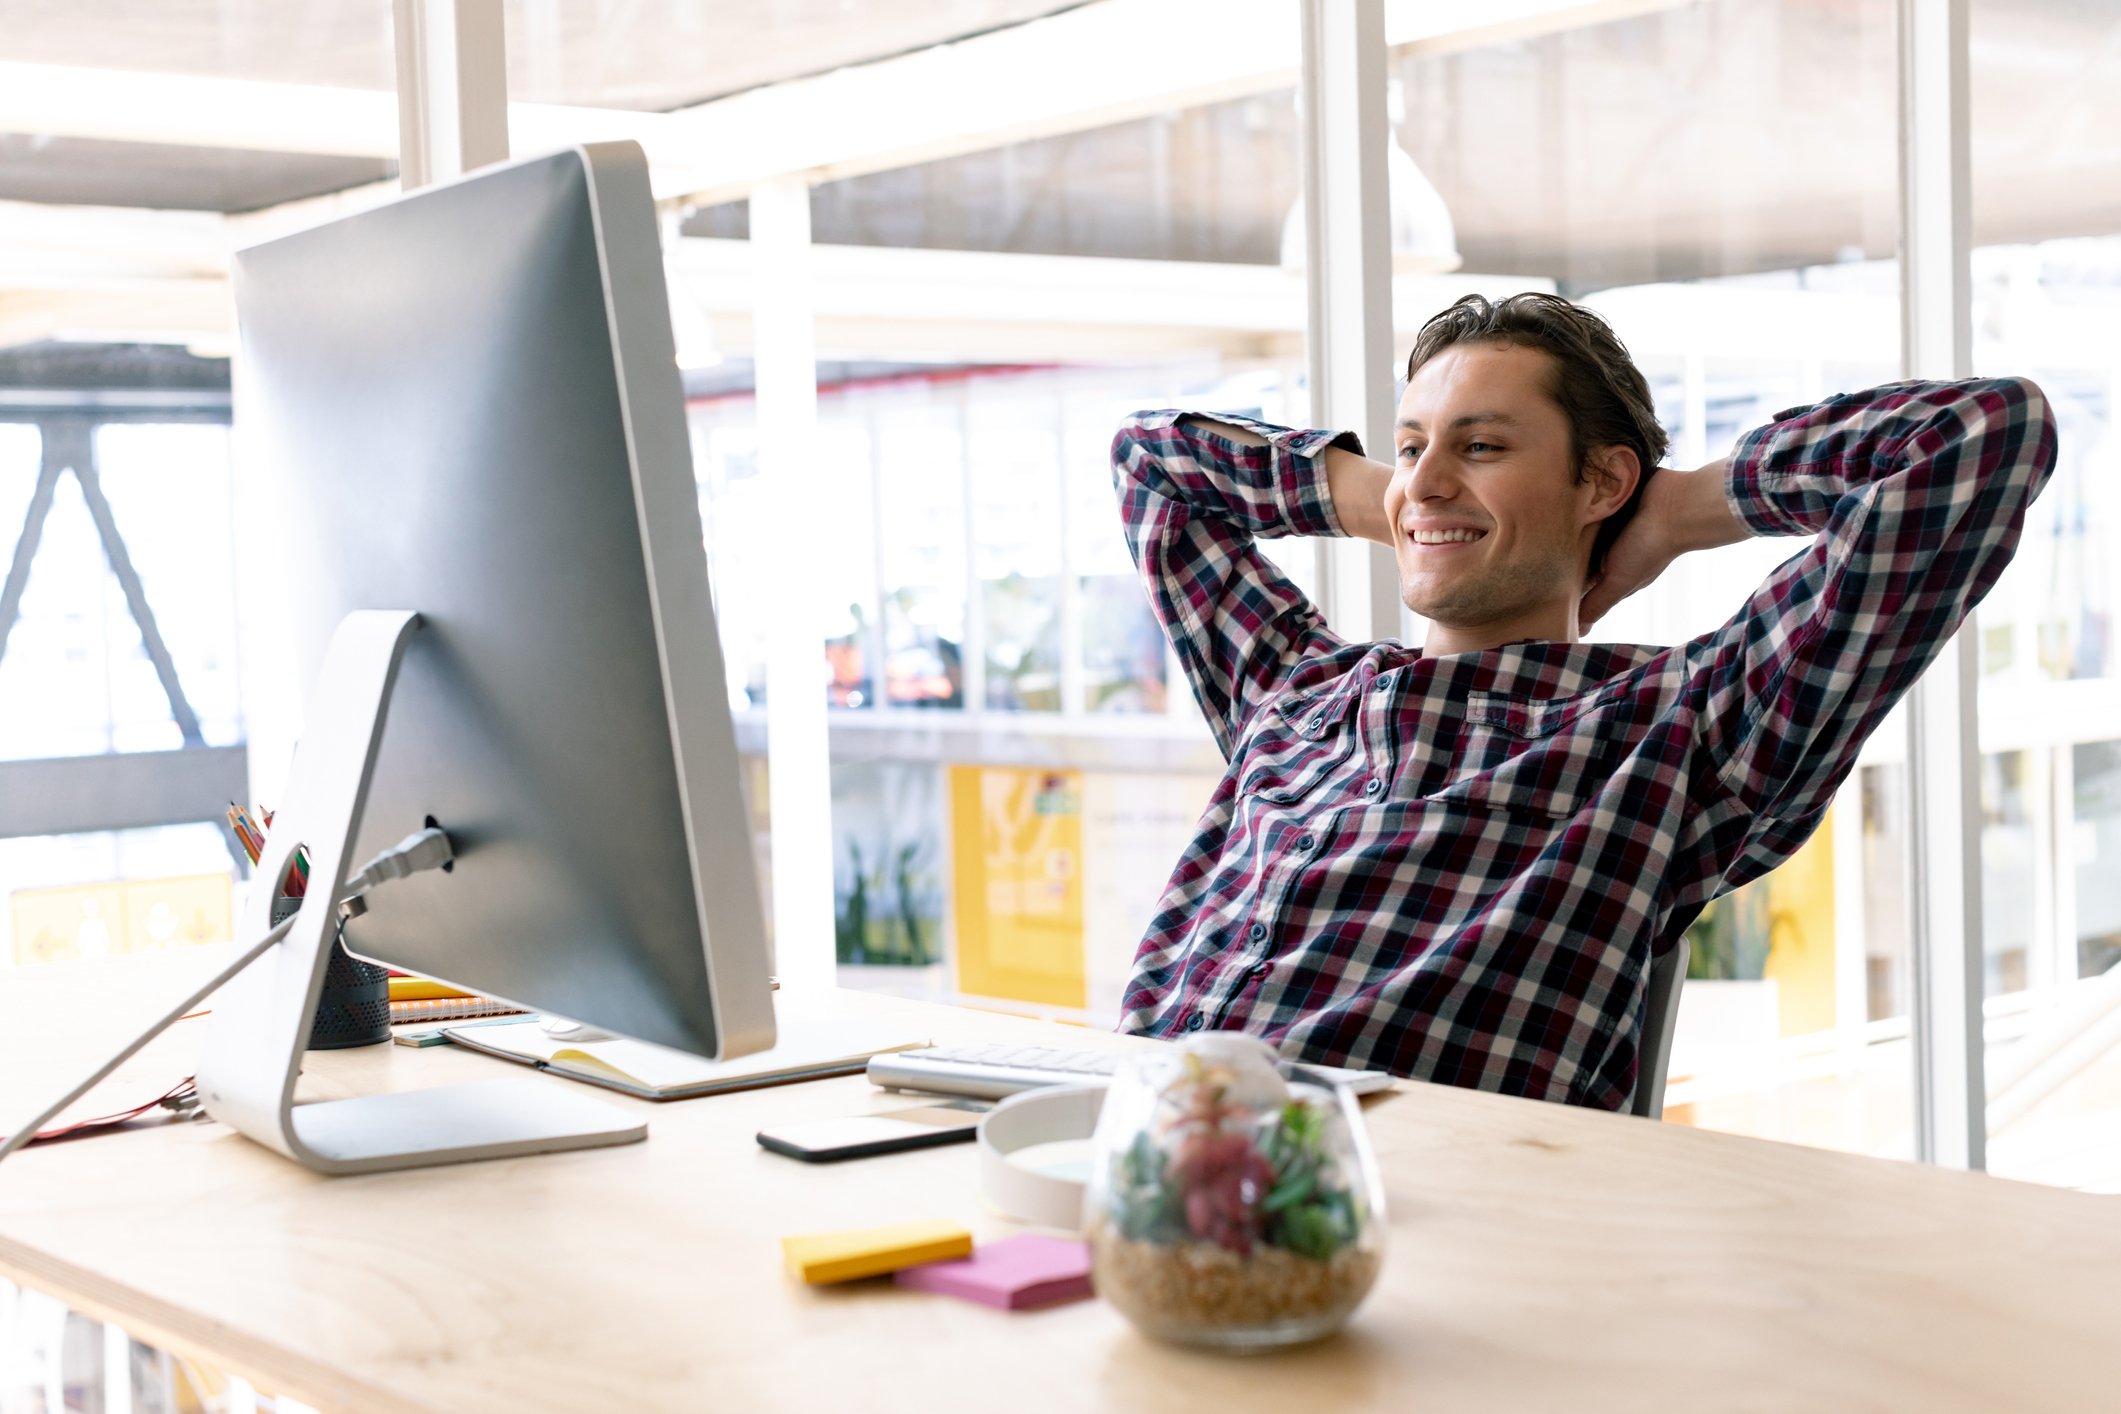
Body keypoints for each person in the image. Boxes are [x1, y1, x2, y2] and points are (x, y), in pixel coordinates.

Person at [1110, 292, 2057, 1109]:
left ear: (1602, 480)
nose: (1428, 476)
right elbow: (1149, 464)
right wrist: (1391, 497)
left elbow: (1978, 435)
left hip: (1386, 1213)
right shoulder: (1292, 687)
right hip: (1109, 1154)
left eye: (1480, 445)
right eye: (1411, 444)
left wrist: (1680, 511)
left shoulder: (1682, 725)